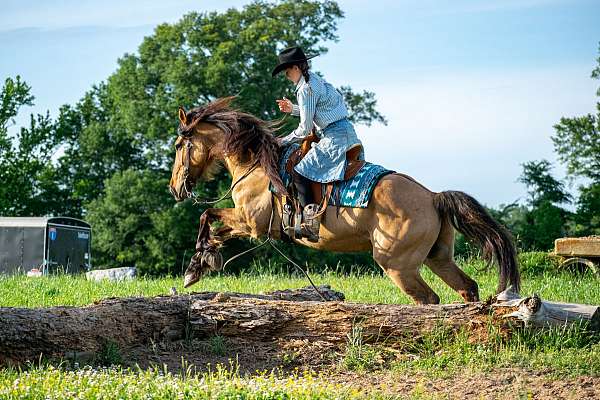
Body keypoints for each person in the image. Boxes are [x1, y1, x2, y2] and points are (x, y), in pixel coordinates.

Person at [272, 46, 363, 241]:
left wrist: (282, 141)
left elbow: (304, 129)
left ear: (296, 67)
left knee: (299, 171)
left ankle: (310, 223)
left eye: (287, 72)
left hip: (334, 139)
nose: (287, 76)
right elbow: (319, 112)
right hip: (346, 134)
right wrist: (293, 109)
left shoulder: (305, 89)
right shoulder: (314, 80)